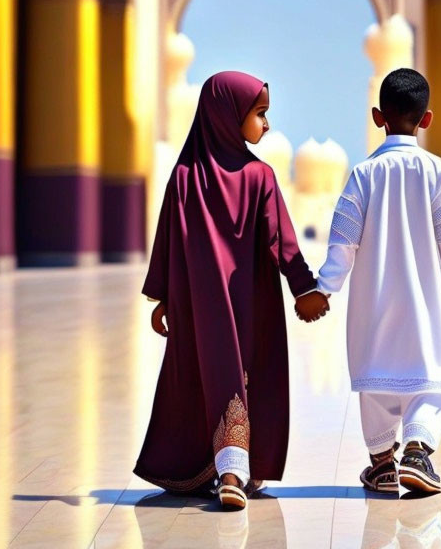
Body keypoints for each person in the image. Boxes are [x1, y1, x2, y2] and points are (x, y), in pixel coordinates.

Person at [134, 71, 328, 510]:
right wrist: (304, 290)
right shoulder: (259, 177)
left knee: (209, 372)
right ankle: (234, 472)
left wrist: (164, 295)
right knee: (242, 372)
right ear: (227, 116)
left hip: (200, 306)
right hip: (249, 306)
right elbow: (283, 242)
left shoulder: (184, 176)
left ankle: (226, 468)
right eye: (259, 114)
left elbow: (167, 240)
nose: (267, 124)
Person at [297, 68, 441, 495]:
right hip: (425, 306)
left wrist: (323, 288)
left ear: (378, 116)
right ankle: (418, 451)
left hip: (373, 312)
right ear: (426, 119)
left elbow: (343, 241)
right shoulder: (437, 171)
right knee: (428, 382)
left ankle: (382, 464)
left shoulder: (362, 174)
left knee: (375, 384)